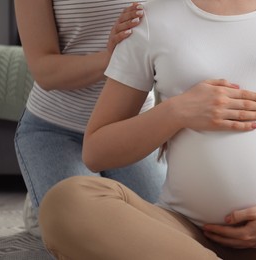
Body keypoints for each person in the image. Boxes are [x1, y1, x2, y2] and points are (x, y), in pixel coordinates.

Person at [39, 0, 256, 259]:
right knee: (66, 202)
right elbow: (97, 149)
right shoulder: (151, 15)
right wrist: (178, 111)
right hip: (184, 236)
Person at [13, 0, 168, 237]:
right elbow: (44, 70)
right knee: (96, 238)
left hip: (129, 127)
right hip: (56, 129)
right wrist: (111, 58)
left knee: (166, 233)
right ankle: (43, 200)